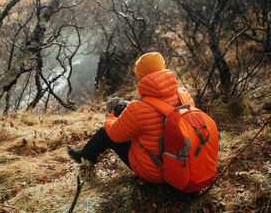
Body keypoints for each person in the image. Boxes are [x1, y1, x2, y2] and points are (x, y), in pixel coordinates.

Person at [68, 52, 194, 184]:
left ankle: (84, 156)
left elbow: (114, 135)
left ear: (140, 76)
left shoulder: (139, 108)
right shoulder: (184, 95)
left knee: (105, 132)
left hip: (156, 172)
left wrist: (112, 115)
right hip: (185, 163)